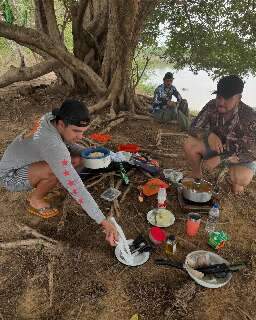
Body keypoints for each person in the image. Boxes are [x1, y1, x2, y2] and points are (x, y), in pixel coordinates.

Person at [0, 99, 118, 245]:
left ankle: (49, 181)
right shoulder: (51, 144)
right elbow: (75, 185)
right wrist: (103, 221)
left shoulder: (52, 118)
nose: (80, 137)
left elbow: (65, 144)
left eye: (83, 132)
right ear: (62, 124)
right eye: (76, 131)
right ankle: (34, 200)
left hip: (26, 162)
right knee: (55, 170)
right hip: (10, 176)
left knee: (74, 159)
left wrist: (85, 152)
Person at [184, 75, 256, 194]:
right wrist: (208, 135)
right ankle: (197, 176)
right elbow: (193, 127)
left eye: (227, 98)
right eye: (219, 96)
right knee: (189, 144)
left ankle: (236, 182)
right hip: (216, 148)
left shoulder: (249, 116)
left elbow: (252, 152)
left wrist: (221, 158)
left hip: (239, 155)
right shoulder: (211, 105)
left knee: (239, 178)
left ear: (238, 97)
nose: (221, 102)